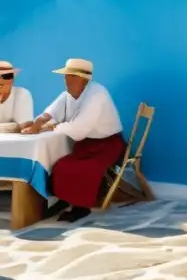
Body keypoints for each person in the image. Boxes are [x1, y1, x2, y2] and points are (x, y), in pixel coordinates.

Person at [21, 58, 124, 223]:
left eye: (70, 76)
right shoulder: (68, 95)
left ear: (83, 79)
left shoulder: (98, 95)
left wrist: (51, 127)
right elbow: (50, 113)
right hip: (86, 145)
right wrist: (37, 123)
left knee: (81, 169)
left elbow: (79, 129)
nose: (66, 80)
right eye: (66, 76)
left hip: (108, 145)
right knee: (61, 165)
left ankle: (81, 207)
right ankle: (65, 199)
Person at [0, 61, 33, 127]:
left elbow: (25, 125)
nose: (1, 80)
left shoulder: (22, 94)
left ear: (13, 79)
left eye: (6, 76)